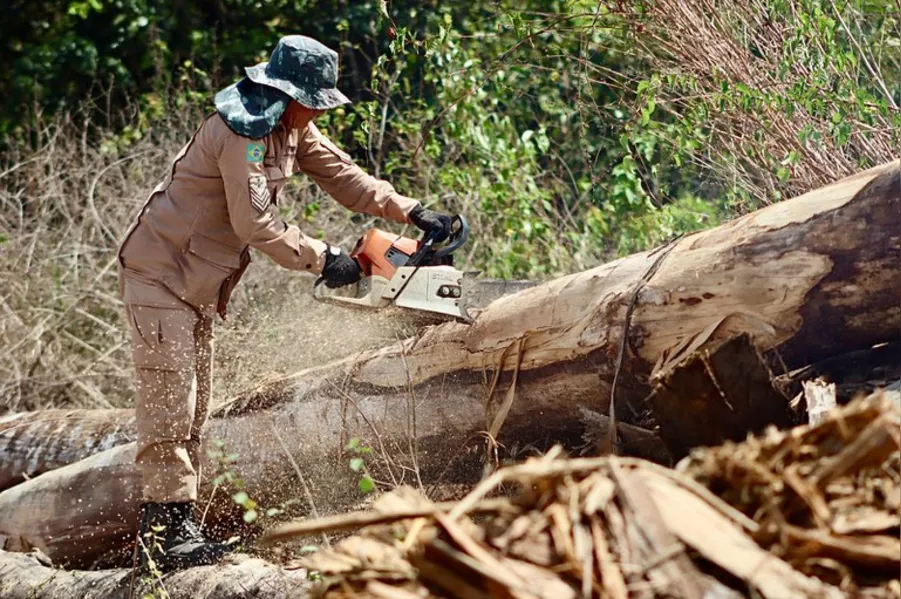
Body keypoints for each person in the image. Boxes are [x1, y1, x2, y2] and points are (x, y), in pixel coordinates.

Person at [118, 35, 452, 571]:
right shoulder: (242, 132)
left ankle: (177, 524)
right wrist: (325, 259)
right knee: (170, 401)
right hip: (160, 275)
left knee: (193, 404)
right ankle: (163, 536)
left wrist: (412, 211)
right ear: (286, 91)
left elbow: (344, 176)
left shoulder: (290, 125)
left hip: (197, 283)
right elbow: (255, 224)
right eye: (313, 99)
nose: (319, 108)